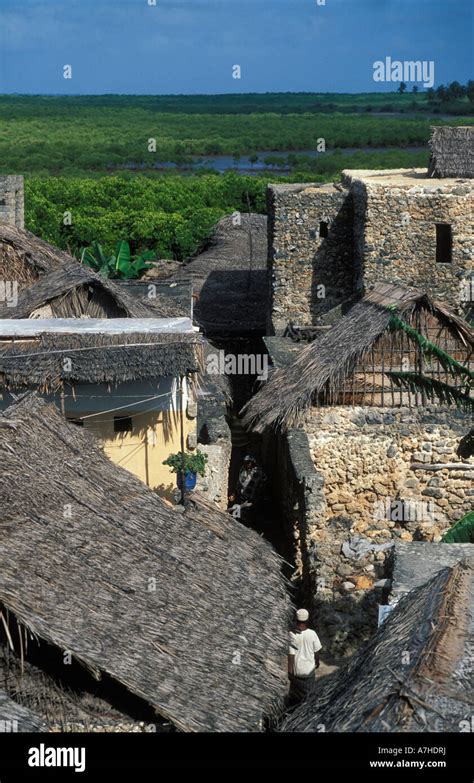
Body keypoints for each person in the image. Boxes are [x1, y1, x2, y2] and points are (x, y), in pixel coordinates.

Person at [287, 608, 322, 705]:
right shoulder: (312, 633)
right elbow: (317, 651)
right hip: (308, 673)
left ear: (296, 619)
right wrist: (317, 661)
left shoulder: (292, 634)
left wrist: (290, 672)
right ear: (307, 620)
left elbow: (291, 655)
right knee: (309, 697)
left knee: (294, 699)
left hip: (296, 673)